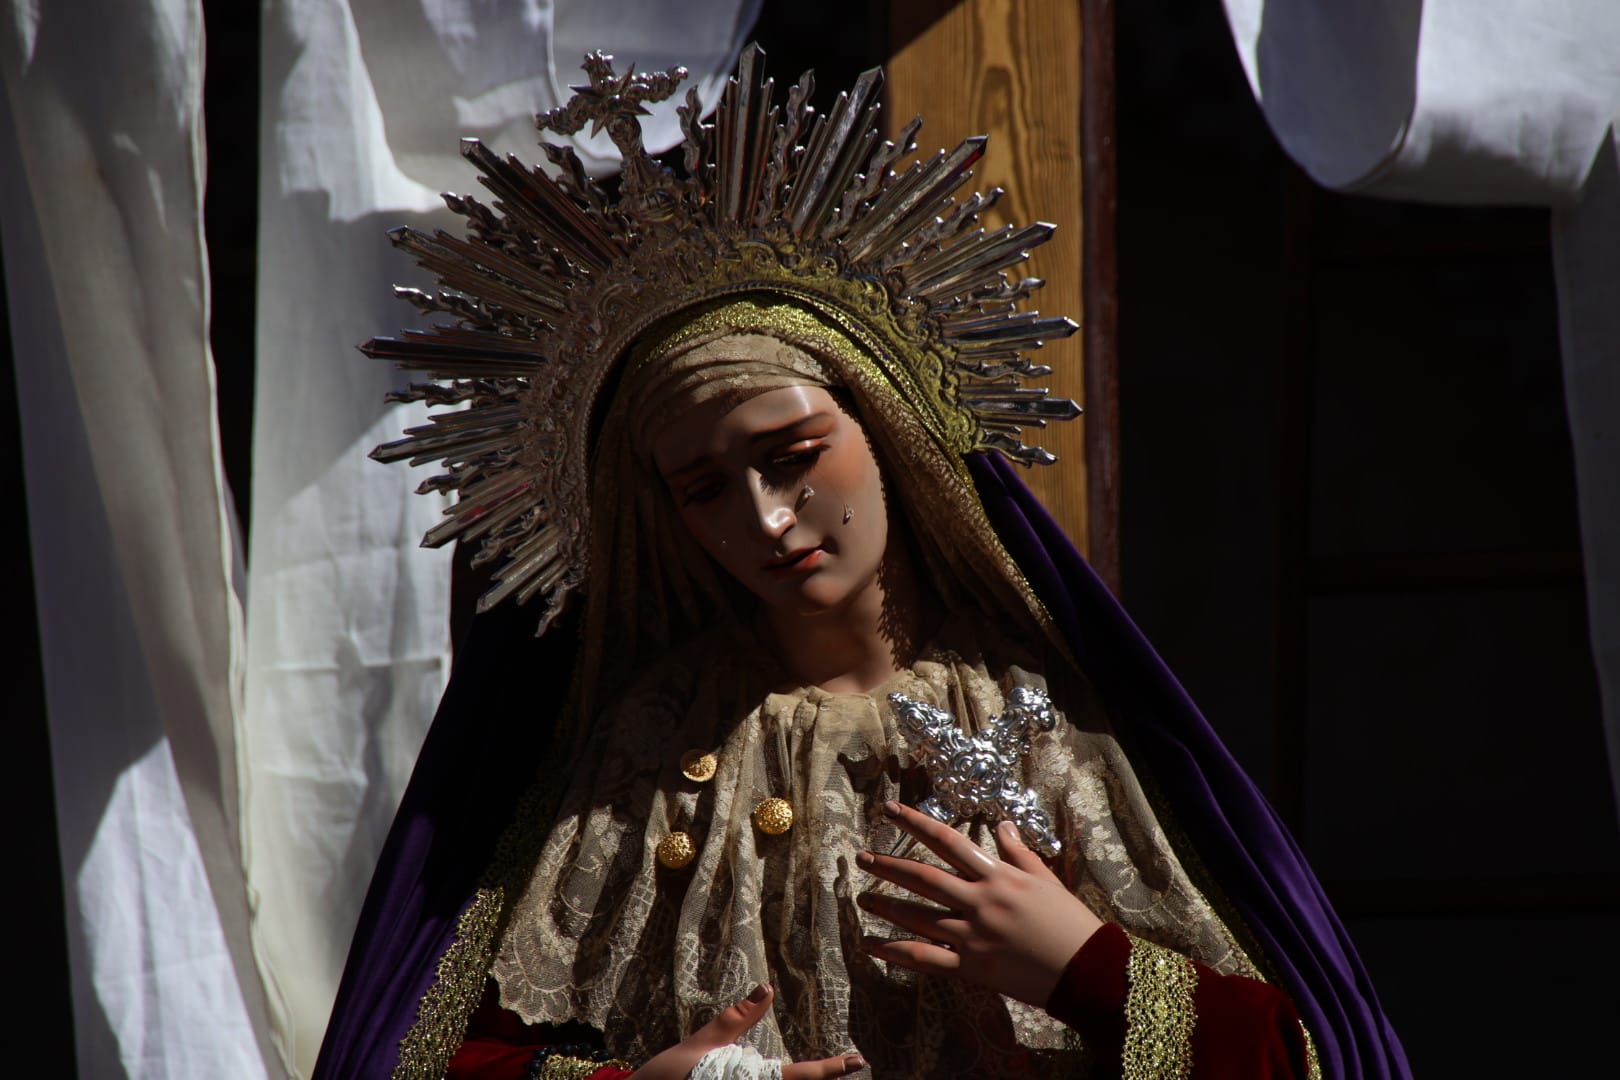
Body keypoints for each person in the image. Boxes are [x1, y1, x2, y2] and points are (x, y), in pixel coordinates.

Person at [314, 47, 1409, 1080]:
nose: (768, 518)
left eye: (794, 458)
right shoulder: (646, 741)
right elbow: (426, 1056)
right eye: (703, 489)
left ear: (889, 434)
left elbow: (1304, 1057)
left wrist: (1086, 969)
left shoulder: (1050, 718)